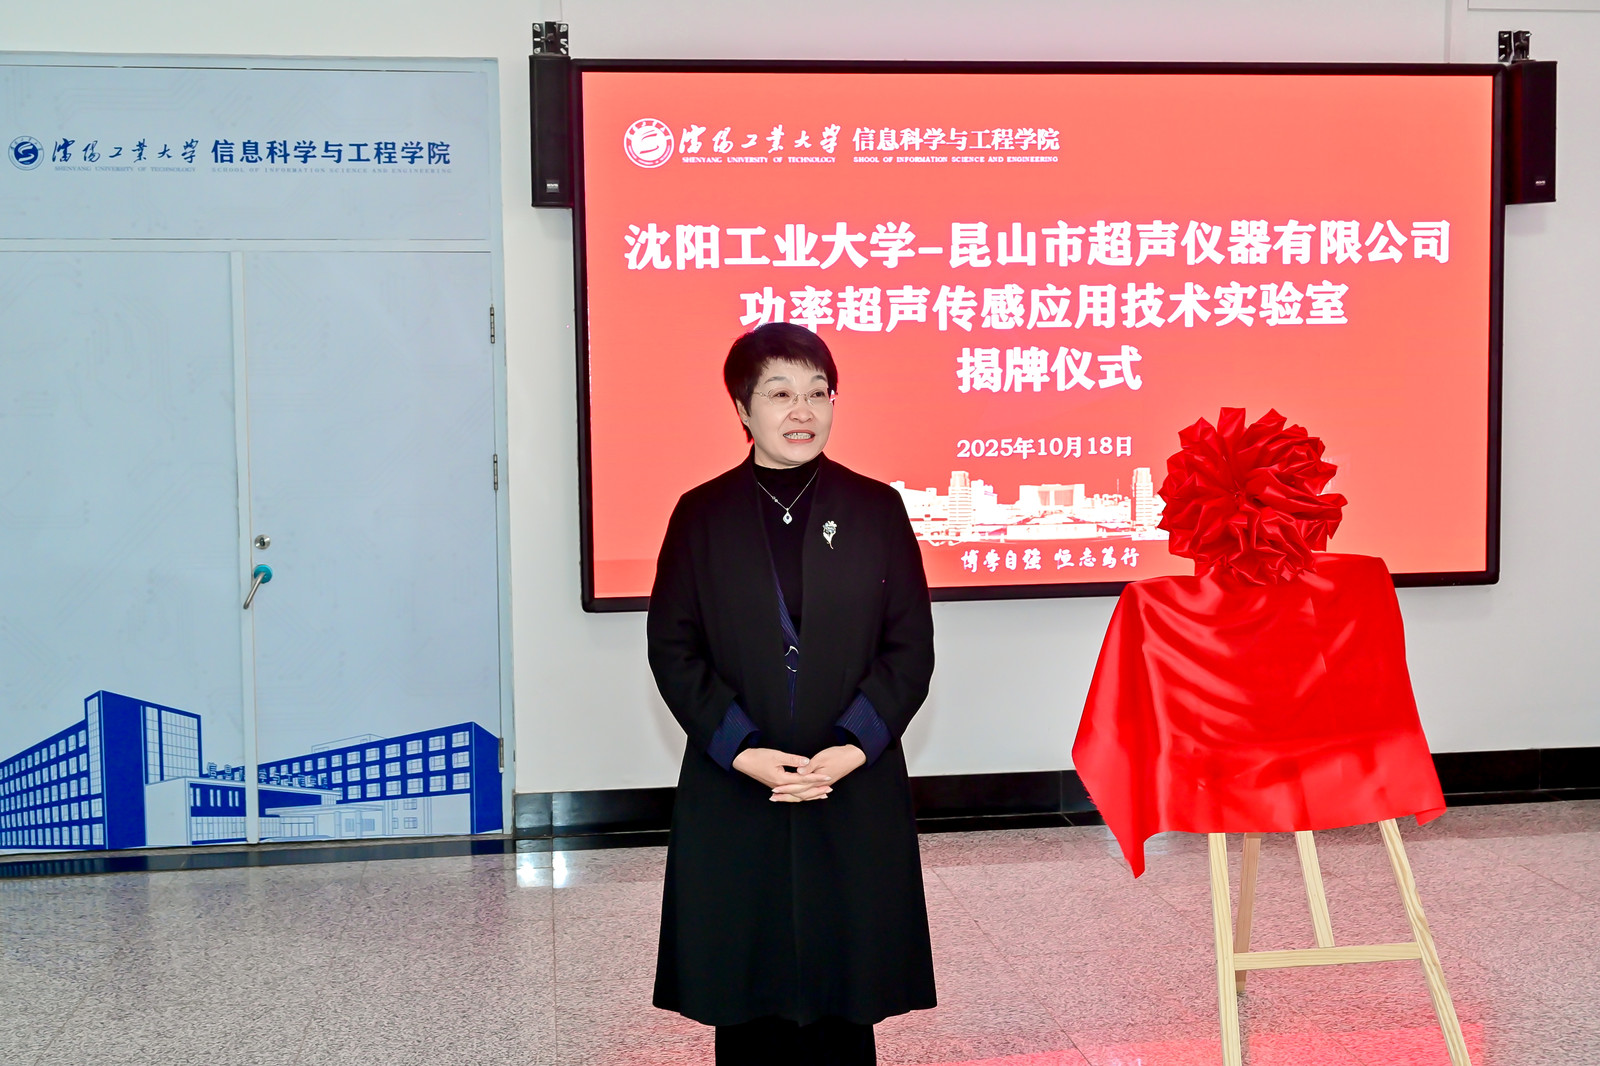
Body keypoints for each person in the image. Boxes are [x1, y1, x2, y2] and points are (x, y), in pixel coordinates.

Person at [647, 322, 937, 1066]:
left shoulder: (876, 508)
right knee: (745, 989)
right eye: (780, 393)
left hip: (850, 783)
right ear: (742, 408)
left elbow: (909, 648)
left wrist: (852, 747)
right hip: (737, 784)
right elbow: (674, 650)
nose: (802, 410)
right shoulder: (700, 514)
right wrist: (742, 750)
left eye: (818, 392)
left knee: (847, 990)